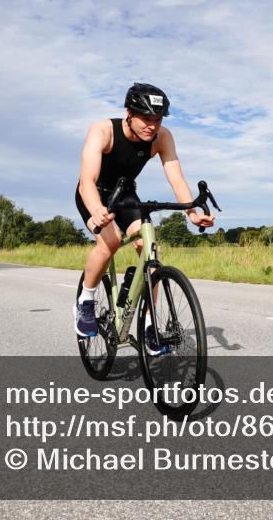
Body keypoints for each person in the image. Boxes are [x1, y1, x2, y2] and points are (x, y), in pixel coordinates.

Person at [74, 83, 214, 337]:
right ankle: (86, 300)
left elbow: (176, 179)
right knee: (110, 242)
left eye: (158, 119)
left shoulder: (162, 137)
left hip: (126, 195)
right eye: (146, 119)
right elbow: (87, 182)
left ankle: (150, 325)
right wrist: (96, 209)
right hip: (94, 192)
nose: (152, 125)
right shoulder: (103, 131)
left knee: (150, 250)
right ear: (129, 113)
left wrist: (192, 214)